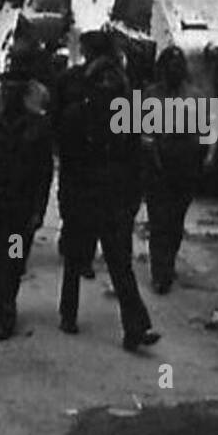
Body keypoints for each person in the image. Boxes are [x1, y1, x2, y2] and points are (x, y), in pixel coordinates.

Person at [57, 52, 160, 351]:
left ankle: (135, 327)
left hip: (112, 202)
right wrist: (67, 202)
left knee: (120, 266)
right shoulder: (76, 117)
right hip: (85, 199)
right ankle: (68, 314)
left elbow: (135, 165)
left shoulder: (124, 120)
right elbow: (68, 165)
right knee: (77, 261)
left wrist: (130, 203)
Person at [0, 68, 54, 339]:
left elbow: (44, 173)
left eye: (14, 89)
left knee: (13, 260)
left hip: (20, 209)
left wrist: (38, 209)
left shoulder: (37, 127)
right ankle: (3, 303)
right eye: (5, 89)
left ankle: (6, 304)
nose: (8, 94)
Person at [142, 45, 206, 294]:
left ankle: (166, 264)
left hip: (184, 167)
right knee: (160, 222)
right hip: (159, 166)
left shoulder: (196, 97)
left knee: (174, 222)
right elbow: (144, 135)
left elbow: (206, 135)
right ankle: (161, 273)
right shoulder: (151, 96)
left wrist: (204, 158)